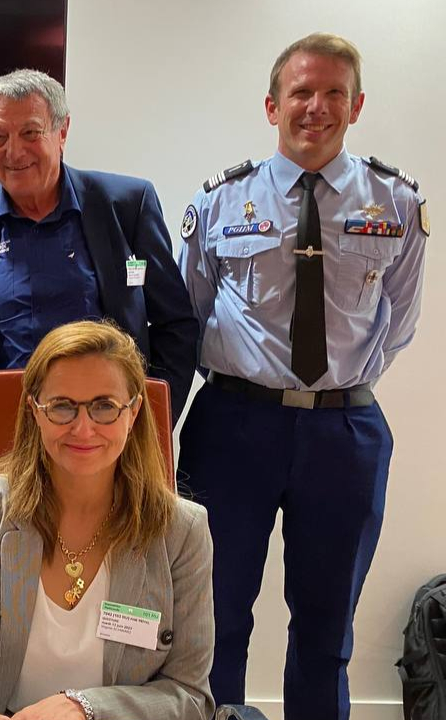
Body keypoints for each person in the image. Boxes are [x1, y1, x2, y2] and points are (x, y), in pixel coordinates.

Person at [176, 32, 428, 719]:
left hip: (345, 432)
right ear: (271, 105)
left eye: (333, 93)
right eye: (301, 92)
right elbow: (190, 313)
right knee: (214, 618)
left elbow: (399, 318)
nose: (316, 107)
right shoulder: (222, 202)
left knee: (325, 628)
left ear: (356, 105)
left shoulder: (396, 203)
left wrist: (338, 390)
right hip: (232, 427)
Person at [0, 321, 214, 720]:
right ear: (35, 410)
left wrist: (85, 709)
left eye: (104, 405)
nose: (83, 427)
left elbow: (189, 694)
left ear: (134, 410)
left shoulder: (182, 532)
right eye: (62, 406)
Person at [0, 69, 197, 423]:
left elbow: (176, 326)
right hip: (7, 430)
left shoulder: (126, 205)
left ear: (62, 131)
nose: (14, 151)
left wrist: (149, 422)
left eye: (30, 132)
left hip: (104, 431)